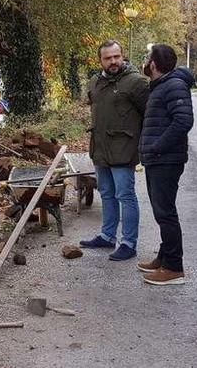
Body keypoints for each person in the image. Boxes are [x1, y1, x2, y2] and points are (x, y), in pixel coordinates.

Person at [79, 40, 150, 261]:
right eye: (108, 58)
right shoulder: (95, 82)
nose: (113, 61)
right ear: (100, 60)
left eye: (116, 56)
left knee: (125, 196)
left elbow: (149, 114)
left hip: (123, 150)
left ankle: (129, 243)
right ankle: (107, 235)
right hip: (100, 149)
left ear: (122, 56)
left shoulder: (137, 83)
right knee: (107, 195)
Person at [137, 44, 195, 285]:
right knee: (163, 212)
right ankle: (164, 256)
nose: (145, 62)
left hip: (165, 160)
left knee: (166, 212)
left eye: (147, 58)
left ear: (153, 64)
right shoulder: (162, 85)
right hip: (157, 160)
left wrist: (157, 147)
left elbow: (183, 121)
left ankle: (173, 267)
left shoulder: (173, 85)